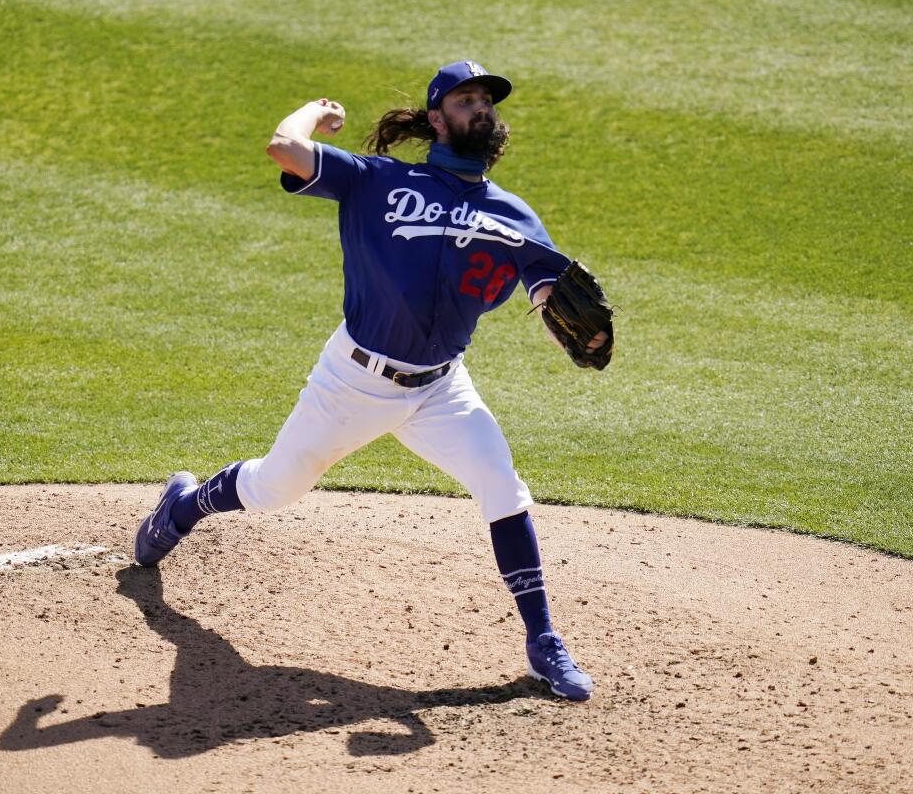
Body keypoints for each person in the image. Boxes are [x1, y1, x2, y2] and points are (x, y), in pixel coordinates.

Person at [134, 61, 608, 701]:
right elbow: (284, 147)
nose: (481, 109)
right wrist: (315, 114)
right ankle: (184, 506)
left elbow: (548, 295)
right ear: (437, 119)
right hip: (351, 383)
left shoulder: (514, 215)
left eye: (487, 102)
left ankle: (543, 642)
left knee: (503, 486)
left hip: (441, 389)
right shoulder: (376, 180)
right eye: (466, 100)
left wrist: (583, 336)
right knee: (276, 488)